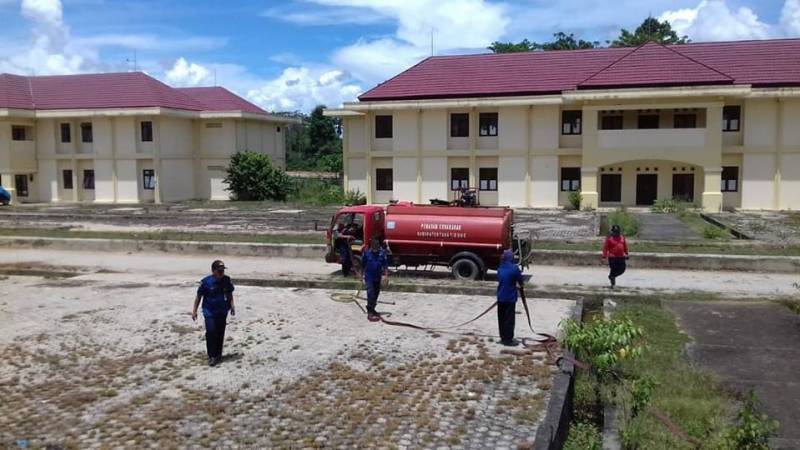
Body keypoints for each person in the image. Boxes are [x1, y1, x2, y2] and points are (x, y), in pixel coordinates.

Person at [192, 260, 236, 366]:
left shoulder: (226, 280)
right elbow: (199, 296)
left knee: (220, 333)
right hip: (209, 311)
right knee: (211, 332)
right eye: (219, 271)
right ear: (213, 271)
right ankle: (212, 356)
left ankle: (218, 355)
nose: (221, 273)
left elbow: (229, 293)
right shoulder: (206, 282)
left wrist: (232, 305)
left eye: (222, 271)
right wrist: (194, 310)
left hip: (222, 310)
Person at [496, 249, 524, 346]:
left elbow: (501, 279)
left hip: (500, 297)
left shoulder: (500, 268)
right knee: (509, 319)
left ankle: (503, 337)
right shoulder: (515, 268)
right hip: (510, 298)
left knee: (501, 318)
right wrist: (519, 286)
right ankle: (508, 339)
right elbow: (520, 281)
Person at [361, 237, 389, 321]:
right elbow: (363, 265)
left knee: (376, 294)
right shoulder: (367, 254)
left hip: (378, 277)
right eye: (374, 247)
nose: (376, 248)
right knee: (371, 294)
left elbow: (385, 265)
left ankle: (373, 309)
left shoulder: (382, 254)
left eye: (377, 246)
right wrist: (360, 275)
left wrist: (386, 276)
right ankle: (370, 313)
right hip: (369, 277)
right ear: (372, 246)